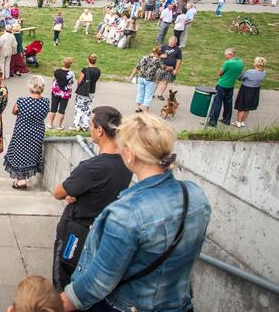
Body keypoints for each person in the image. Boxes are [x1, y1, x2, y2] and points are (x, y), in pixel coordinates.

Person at [60, 114, 211, 312]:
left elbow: (95, 285)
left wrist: (49, 306)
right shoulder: (195, 195)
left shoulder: (125, 214)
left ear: (130, 154)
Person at [52, 106, 131, 292]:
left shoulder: (91, 168)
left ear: (100, 130)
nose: (89, 128)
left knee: (63, 283)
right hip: (102, 232)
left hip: (76, 233)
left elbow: (58, 192)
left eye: (90, 124)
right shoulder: (126, 163)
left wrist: (73, 193)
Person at [3, 75, 50, 189]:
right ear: (42, 87)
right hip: (37, 133)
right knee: (30, 154)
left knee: (19, 154)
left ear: (30, 86)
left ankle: (21, 181)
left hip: (22, 131)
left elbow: (14, 112)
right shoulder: (46, 102)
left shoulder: (22, 101)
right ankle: (24, 178)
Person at [208, 48, 244, 127]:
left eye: (226, 55)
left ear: (230, 54)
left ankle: (213, 121)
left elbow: (219, 73)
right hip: (231, 85)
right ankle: (226, 120)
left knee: (217, 103)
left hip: (222, 85)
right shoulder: (241, 63)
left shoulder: (227, 63)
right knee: (228, 103)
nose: (225, 57)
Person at [71, 54, 101, 131]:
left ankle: (76, 125)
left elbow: (79, 81)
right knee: (87, 108)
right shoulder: (98, 71)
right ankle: (85, 125)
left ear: (88, 60)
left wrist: (79, 84)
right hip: (91, 91)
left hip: (83, 91)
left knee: (79, 107)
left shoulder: (85, 70)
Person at [233, 57, 266, 128]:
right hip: (255, 90)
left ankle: (238, 122)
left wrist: (242, 72)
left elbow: (240, 78)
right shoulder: (264, 72)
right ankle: (242, 122)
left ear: (256, 64)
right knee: (247, 108)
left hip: (246, 90)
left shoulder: (249, 71)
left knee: (242, 107)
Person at [130, 47, 163, 113]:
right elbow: (163, 67)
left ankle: (138, 107)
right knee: (148, 95)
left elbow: (137, 67)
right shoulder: (157, 61)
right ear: (157, 54)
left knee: (140, 93)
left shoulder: (144, 58)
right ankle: (146, 110)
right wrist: (170, 68)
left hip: (141, 78)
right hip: (149, 79)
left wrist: (132, 75)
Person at [47, 58, 75, 131]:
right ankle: (59, 126)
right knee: (62, 110)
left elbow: (53, 79)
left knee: (53, 108)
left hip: (56, 92)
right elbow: (72, 82)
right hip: (65, 94)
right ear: (70, 65)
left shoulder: (57, 71)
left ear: (62, 63)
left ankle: (50, 124)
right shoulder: (71, 73)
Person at [154, 36, 182, 101]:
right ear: (169, 41)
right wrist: (161, 55)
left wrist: (176, 70)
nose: (172, 44)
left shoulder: (178, 49)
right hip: (161, 67)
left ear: (176, 43)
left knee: (165, 82)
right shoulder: (164, 46)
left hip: (171, 69)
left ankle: (160, 94)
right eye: (171, 43)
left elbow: (179, 60)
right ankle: (151, 93)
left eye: (173, 43)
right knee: (156, 80)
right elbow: (155, 54)